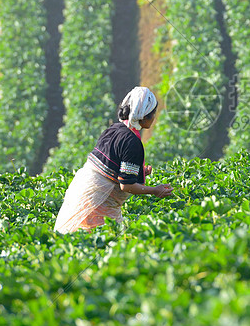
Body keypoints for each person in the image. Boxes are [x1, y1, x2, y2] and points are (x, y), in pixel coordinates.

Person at [54, 86, 172, 234]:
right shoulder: (133, 143)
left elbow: (110, 165)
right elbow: (126, 185)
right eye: (153, 113)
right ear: (144, 115)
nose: (154, 118)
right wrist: (155, 190)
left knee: (76, 236)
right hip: (99, 200)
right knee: (97, 240)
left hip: (84, 189)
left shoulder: (114, 129)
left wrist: (139, 172)